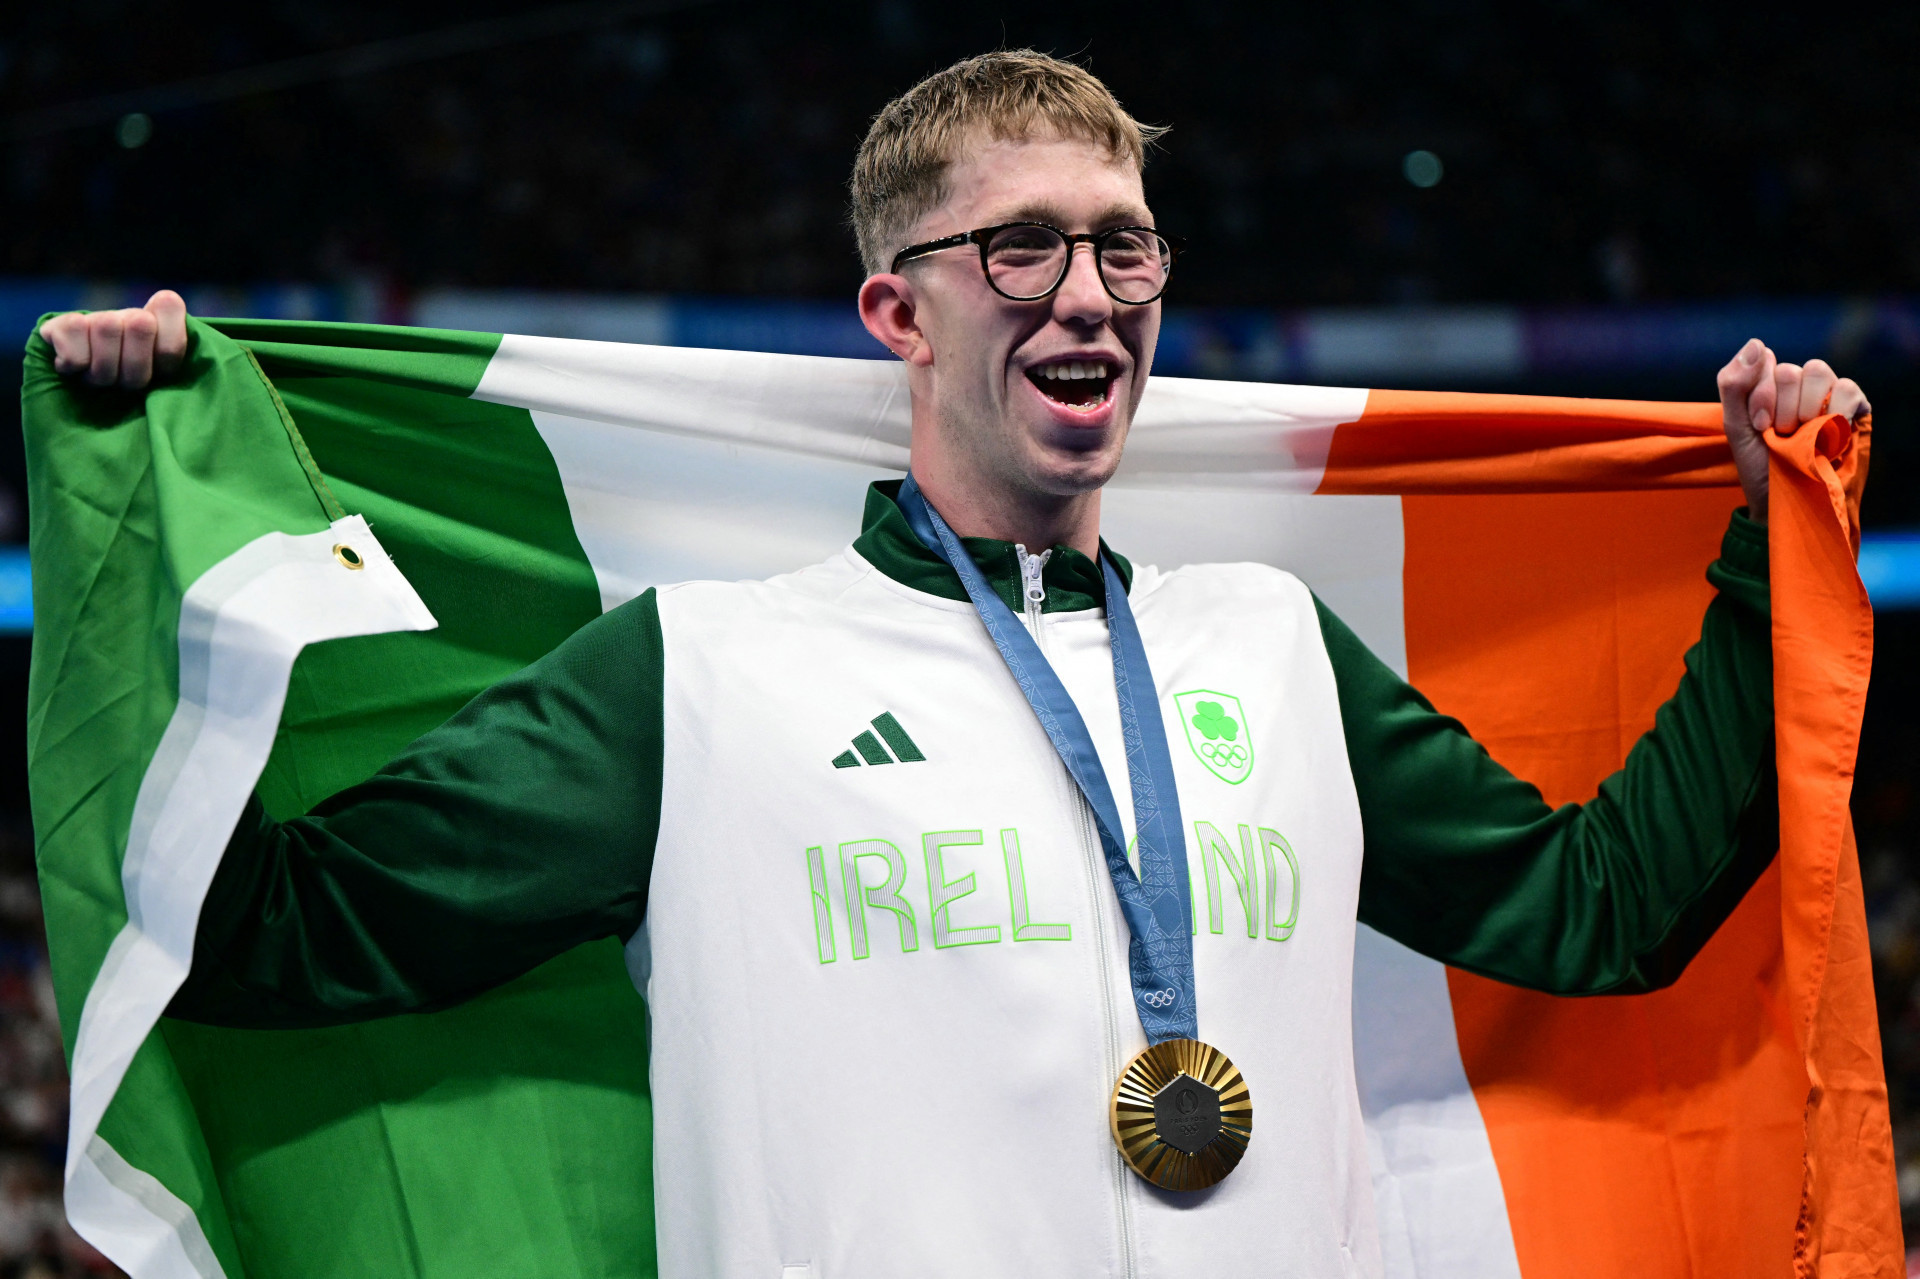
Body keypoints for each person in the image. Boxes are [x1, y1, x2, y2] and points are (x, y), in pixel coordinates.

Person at [41, 50, 1870, 1279]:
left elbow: (1599, 912)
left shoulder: (1271, 649)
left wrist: (1765, 554)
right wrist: (131, 505)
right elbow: (268, 932)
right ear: (896, 310)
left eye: (1123, 246)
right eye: (1021, 247)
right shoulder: (693, 677)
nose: (1086, 293)